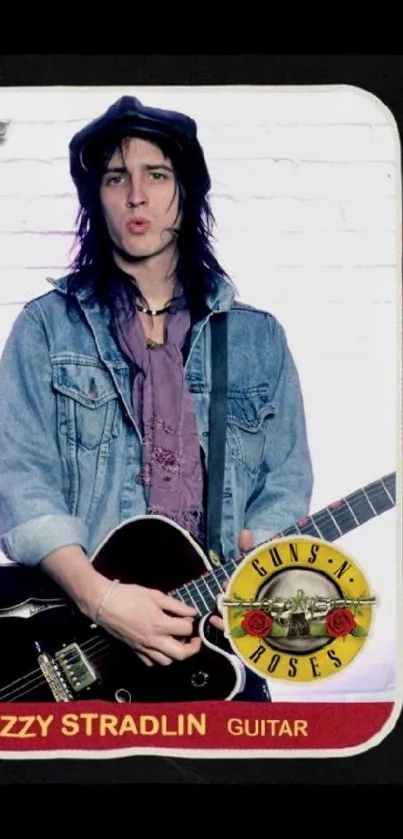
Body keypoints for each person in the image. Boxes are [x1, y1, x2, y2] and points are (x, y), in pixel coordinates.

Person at [0, 96, 314, 702]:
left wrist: (249, 589)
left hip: (214, 653)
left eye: (157, 175)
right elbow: (23, 486)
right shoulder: (45, 330)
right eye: (117, 178)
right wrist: (103, 599)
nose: (137, 196)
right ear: (97, 198)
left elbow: (283, 491)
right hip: (76, 647)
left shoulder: (257, 340)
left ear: (187, 192)